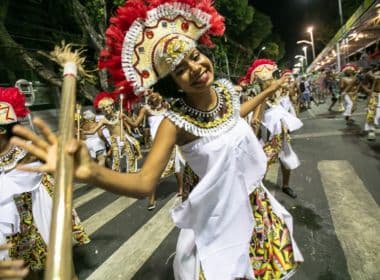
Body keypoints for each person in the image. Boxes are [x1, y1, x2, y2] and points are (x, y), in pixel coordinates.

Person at [11, 0, 303, 279]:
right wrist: (91, 172)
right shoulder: (173, 123)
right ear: (171, 83)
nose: (196, 68)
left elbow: (234, 116)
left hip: (257, 206)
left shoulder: (226, 92)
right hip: (219, 219)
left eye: (194, 55)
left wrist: (268, 91)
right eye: (180, 69)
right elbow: (144, 183)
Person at [0, 87, 89, 276]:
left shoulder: (27, 150)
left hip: (40, 209)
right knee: (24, 271)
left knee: (61, 266)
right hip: (13, 225)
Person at [241, 59, 303, 199]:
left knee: (287, 160)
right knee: (261, 166)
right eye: (271, 77)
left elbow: (284, 103)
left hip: (281, 135)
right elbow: (256, 119)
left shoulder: (277, 91)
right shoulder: (257, 96)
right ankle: (256, 194)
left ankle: (286, 186)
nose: (275, 79)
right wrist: (263, 96)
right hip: (266, 138)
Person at [125, 91, 185, 210]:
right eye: (149, 94)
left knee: (176, 167)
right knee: (154, 170)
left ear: (160, 95)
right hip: (156, 143)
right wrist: (125, 118)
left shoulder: (168, 106)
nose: (151, 95)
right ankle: (151, 197)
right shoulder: (145, 109)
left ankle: (181, 189)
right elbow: (135, 124)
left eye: (154, 93)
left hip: (170, 140)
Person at [92, 92, 142, 172]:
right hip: (113, 140)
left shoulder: (120, 114)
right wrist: (84, 131)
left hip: (123, 137)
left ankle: (131, 173)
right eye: (104, 108)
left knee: (131, 156)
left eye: (107, 107)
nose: (106, 109)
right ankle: (115, 175)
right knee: (116, 159)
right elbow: (95, 131)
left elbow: (133, 124)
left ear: (112, 106)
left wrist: (128, 121)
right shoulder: (103, 119)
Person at [362, 64, 380, 140]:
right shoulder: (372, 74)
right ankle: (371, 132)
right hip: (374, 95)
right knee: (371, 114)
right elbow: (363, 84)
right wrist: (367, 90)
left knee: (377, 115)